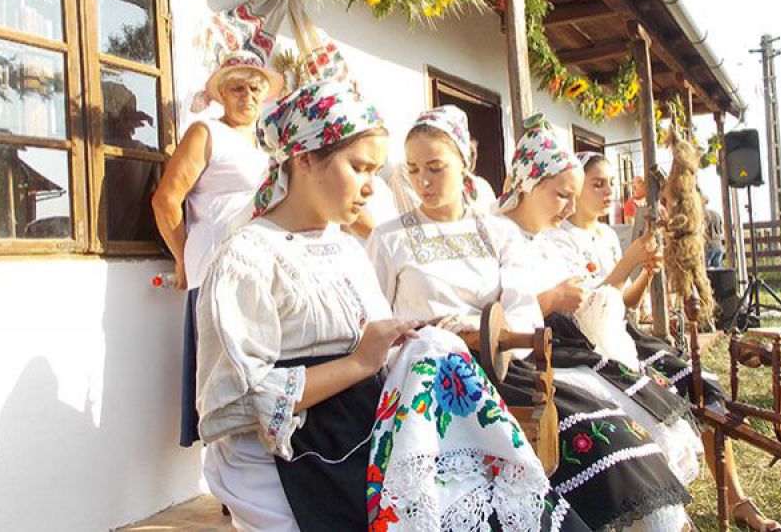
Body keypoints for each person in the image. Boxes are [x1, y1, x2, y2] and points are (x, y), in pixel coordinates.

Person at [195, 83, 544, 530]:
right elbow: (236, 401)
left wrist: (415, 346)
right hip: (290, 457)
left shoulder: (347, 249)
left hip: (362, 429)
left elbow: (379, 348)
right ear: (304, 158)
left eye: (376, 172)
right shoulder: (249, 257)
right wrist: (359, 363)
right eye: (359, 167)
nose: (369, 187)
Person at [367, 108, 680, 531]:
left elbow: (520, 306)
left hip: (499, 367)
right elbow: (376, 321)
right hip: (421, 380)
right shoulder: (389, 237)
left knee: (606, 435)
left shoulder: (495, 233)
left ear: (465, 163)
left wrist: (486, 335)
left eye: (435, 168)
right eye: (413, 169)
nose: (423, 181)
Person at [545, 152, 781, 532]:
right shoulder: (557, 239)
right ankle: (671, 514)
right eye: (597, 184)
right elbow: (583, 309)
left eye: (611, 183)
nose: (608, 191)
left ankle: (738, 500)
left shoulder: (606, 235)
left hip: (623, 332)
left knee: (698, 382)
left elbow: (623, 302)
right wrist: (628, 263)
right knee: (659, 400)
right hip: (586, 343)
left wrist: (643, 273)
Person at [152, 48, 280, 448]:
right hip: (214, 274)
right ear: (222, 94)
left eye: (255, 89)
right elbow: (166, 201)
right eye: (237, 88)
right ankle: (225, 477)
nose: (248, 96)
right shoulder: (206, 133)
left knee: (254, 384)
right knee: (220, 390)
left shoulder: (265, 150)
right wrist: (182, 260)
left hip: (256, 276)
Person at [702, 193, 724, 268]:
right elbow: (721, 230)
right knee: (717, 270)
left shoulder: (702, 215)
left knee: (705, 270)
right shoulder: (716, 214)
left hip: (708, 245)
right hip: (718, 244)